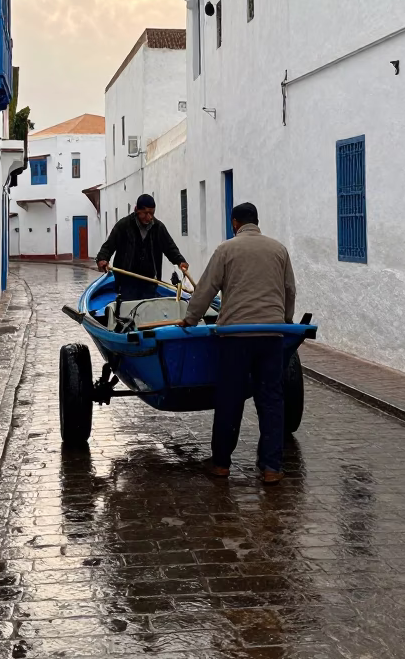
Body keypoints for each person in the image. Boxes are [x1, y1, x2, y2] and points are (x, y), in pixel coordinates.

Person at [181, 202, 296, 485]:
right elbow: (289, 290)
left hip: (235, 337)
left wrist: (190, 319)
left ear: (235, 223)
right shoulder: (279, 250)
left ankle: (221, 464)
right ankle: (271, 467)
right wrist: (285, 320)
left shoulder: (226, 249)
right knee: (271, 400)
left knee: (230, 398)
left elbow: (206, 288)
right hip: (271, 336)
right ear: (257, 221)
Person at [96, 194, 189, 301]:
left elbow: (170, 248)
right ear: (137, 210)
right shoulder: (123, 226)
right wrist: (102, 259)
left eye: (152, 213)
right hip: (126, 281)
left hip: (150, 281)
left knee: (148, 307)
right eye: (145, 213)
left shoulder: (158, 228)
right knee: (128, 307)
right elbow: (109, 245)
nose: (149, 217)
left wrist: (180, 261)